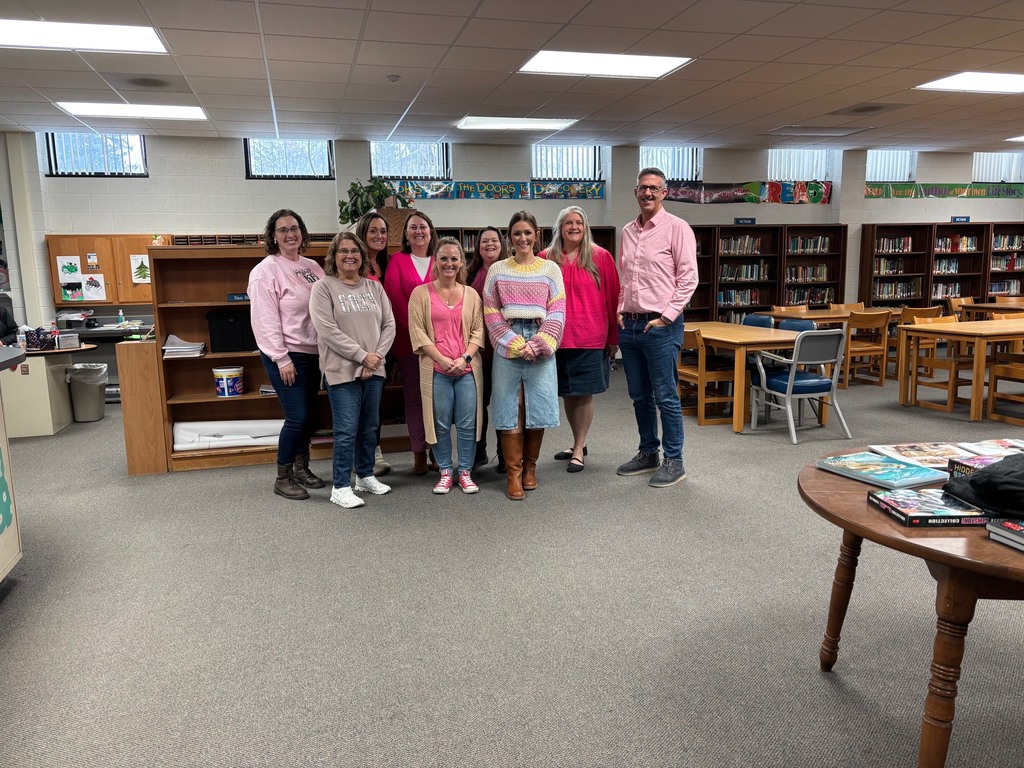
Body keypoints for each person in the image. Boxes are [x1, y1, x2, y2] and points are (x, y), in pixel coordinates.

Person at [616, 168, 698, 488]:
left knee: (665, 396)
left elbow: (688, 278)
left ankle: (674, 460)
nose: (647, 193)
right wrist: (620, 310)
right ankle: (648, 452)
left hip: (661, 326)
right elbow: (626, 279)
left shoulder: (677, 228)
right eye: (642, 188)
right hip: (631, 325)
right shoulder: (627, 231)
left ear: (664, 192)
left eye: (654, 188)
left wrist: (666, 317)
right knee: (639, 396)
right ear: (635, 192)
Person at [309, 232, 396, 509]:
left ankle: (365, 475)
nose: (350, 255)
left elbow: (389, 325)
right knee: (347, 430)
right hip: (341, 371)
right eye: (343, 251)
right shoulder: (324, 288)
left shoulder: (374, 288)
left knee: (369, 427)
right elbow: (327, 330)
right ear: (334, 256)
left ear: (362, 256)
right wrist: (362, 357)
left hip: (374, 369)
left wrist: (376, 358)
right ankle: (341, 486)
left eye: (355, 251)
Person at [483, 211, 565, 500]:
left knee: (537, 404)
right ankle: (513, 473)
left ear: (536, 235)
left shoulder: (551, 270)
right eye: (517, 233)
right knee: (511, 405)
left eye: (527, 232)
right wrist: (515, 344)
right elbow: (491, 312)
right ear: (510, 237)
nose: (522, 238)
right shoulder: (497, 270)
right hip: (508, 342)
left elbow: (558, 311)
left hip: (541, 342)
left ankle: (530, 468)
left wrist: (539, 343)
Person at [248, 208, 327, 501]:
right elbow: (264, 320)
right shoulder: (265, 271)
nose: (290, 234)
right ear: (273, 236)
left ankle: (301, 467)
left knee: (309, 417)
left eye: (294, 228)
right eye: (283, 230)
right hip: (286, 356)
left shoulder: (312, 267)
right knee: (298, 416)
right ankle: (283, 477)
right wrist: (281, 358)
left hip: (313, 353)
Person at [540, 206, 620, 473]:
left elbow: (613, 298)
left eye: (579, 223)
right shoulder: (546, 259)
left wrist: (613, 338)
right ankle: (577, 442)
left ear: (585, 227)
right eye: (568, 223)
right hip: (557, 338)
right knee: (569, 393)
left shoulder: (601, 257)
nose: (574, 227)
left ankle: (579, 447)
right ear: (560, 227)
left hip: (590, 336)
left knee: (584, 394)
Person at [408, 237, 485, 494]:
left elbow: (477, 331)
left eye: (454, 258)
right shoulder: (421, 294)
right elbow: (417, 332)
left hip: (466, 371)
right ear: (436, 262)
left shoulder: (472, 295)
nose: (449, 263)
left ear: (461, 262)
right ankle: (444, 470)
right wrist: (442, 360)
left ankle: (464, 471)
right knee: (439, 422)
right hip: (436, 371)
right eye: (444, 258)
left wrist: (464, 359)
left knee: (467, 423)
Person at [383, 210, 438, 476]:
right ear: (405, 234)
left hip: (441, 344)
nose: (418, 231)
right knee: (414, 398)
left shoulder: (441, 259)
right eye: (413, 227)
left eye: (423, 226)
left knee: (439, 399)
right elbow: (393, 296)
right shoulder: (397, 260)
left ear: (430, 231)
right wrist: (419, 332)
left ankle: (437, 451)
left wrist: (434, 333)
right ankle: (418, 452)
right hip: (409, 343)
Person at [355, 210, 395, 476]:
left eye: (383, 231)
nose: (379, 236)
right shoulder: (354, 264)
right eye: (373, 231)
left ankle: (373, 452)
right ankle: (369, 456)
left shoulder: (390, 264)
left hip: (387, 342)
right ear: (362, 234)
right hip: (362, 346)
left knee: (376, 403)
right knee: (359, 404)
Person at [466, 226, 507, 472]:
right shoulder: (469, 275)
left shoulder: (509, 270)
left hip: (503, 350)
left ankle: (505, 455)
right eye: (484, 241)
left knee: (503, 404)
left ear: (502, 244)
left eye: (494, 240)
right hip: (477, 353)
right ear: (477, 246)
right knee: (476, 405)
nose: (489, 245)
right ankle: (478, 452)